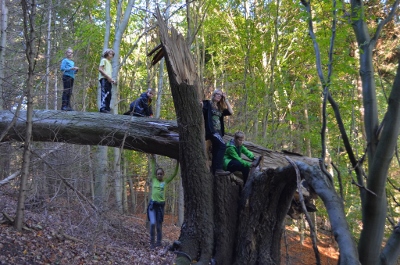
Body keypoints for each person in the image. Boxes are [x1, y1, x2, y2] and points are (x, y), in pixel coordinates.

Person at [147, 157, 179, 249]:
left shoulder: (165, 182)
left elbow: (174, 174)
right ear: (156, 175)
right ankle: (152, 243)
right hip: (152, 206)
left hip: (160, 207)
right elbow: (153, 166)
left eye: (161, 174)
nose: (159, 175)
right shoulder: (154, 179)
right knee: (152, 224)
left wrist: (177, 162)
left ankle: (159, 242)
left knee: (159, 225)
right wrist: (152, 157)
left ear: (163, 175)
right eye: (158, 174)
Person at [202, 89, 233, 176]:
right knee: (223, 146)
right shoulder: (208, 104)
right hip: (212, 131)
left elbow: (231, 112)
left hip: (219, 132)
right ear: (214, 95)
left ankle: (215, 170)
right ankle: (219, 169)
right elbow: (201, 106)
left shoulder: (220, 108)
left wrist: (226, 99)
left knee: (216, 149)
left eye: (221, 95)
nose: (219, 96)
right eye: (218, 94)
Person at [98, 49, 116, 113]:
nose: (111, 56)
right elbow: (100, 69)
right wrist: (108, 77)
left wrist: (112, 80)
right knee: (104, 93)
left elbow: (109, 73)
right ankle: (103, 108)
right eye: (110, 54)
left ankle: (107, 108)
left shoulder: (109, 63)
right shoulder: (104, 60)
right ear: (106, 54)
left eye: (112, 55)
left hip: (108, 80)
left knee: (109, 94)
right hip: (103, 79)